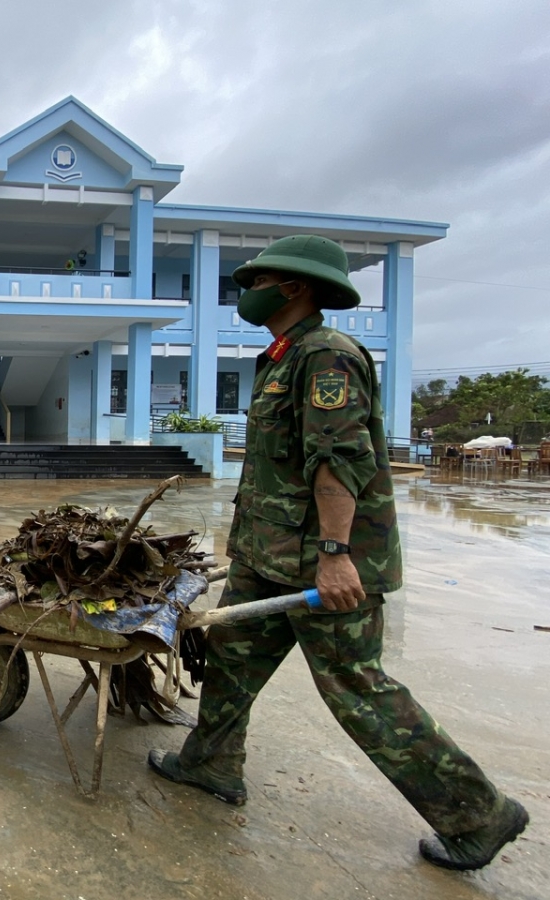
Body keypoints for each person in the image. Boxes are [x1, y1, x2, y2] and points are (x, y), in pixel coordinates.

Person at [147, 235, 527, 871]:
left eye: (257, 281)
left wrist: (335, 553)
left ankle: (478, 814)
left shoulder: (327, 357)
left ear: (294, 286)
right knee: (230, 658)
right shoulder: (283, 356)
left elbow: (336, 460)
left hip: (320, 561)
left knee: (355, 686)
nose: (247, 292)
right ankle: (211, 763)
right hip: (268, 557)